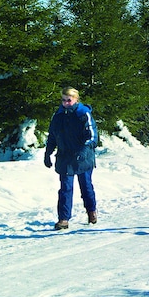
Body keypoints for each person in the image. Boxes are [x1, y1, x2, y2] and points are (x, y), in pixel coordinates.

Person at [44, 87, 98, 230]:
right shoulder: (58, 116)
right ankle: (63, 219)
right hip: (65, 157)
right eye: (64, 100)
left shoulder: (83, 113)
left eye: (69, 100)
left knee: (85, 186)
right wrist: (48, 153)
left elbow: (92, 137)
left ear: (76, 100)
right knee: (65, 188)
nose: (66, 103)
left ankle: (91, 210)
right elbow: (52, 136)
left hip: (83, 157)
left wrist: (84, 150)